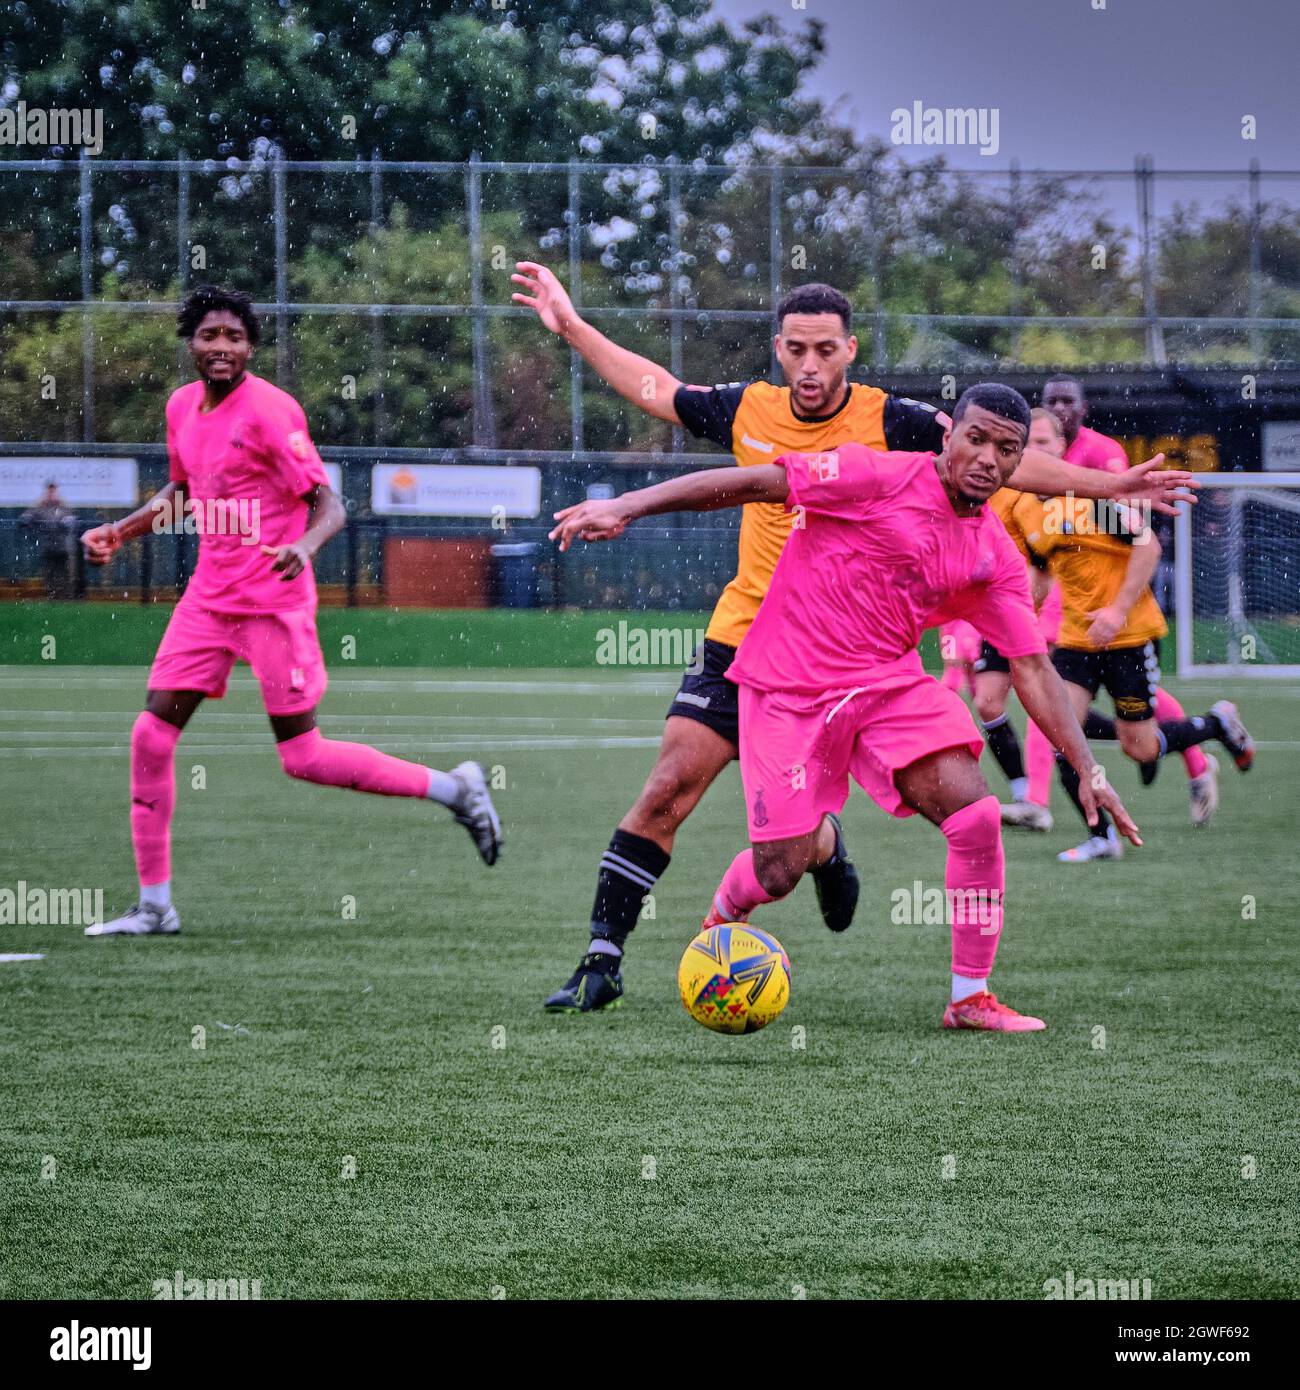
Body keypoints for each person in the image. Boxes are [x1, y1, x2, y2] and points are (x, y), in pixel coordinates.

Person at [514, 264, 1198, 1013]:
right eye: (797, 350)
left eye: (827, 350)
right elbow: (659, 395)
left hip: (875, 664)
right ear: (778, 349)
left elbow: (1001, 455)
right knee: (679, 798)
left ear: (850, 350)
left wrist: (1106, 485)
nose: (811, 365)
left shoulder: (895, 426)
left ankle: (969, 993)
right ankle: (605, 959)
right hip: (755, 644)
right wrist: (574, 330)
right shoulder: (752, 411)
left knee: (970, 813)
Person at [79, 285, 502, 938]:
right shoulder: (180, 409)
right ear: (191, 344)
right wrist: (121, 531)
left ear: (250, 347)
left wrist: (303, 549)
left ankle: (457, 790)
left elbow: (329, 503)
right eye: (210, 336)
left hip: (273, 605)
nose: (222, 348)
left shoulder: (273, 413)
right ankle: (155, 905)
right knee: (150, 735)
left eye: (235, 338)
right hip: (208, 602)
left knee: (302, 756)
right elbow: (183, 490)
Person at [999, 477, 1254, 862]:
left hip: (1129, 640)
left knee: (1140, 748)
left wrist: (1116, 611)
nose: (1030, 451)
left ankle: (1216, 724)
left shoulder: (1089, 500)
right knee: (1062, 735)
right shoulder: (1025, 508)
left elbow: (1148, 546)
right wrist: (1019, 620)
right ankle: (1101, 837)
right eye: (1026, 444)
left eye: (1042, 442)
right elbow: (1041, 569)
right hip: (1075, 641)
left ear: (1058, 449)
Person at [21, 481, 79, 599]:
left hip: (64, 548)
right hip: (48, 547)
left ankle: (66, 597)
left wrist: (68, 522)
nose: (51, 495)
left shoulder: (64, 507)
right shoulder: (40, 508)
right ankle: (52, 596)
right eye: (49, 492)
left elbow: (73, 521)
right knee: (49, 574)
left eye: (53, 492)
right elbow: (27, 517)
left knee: (65, 574)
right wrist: (26, 518)